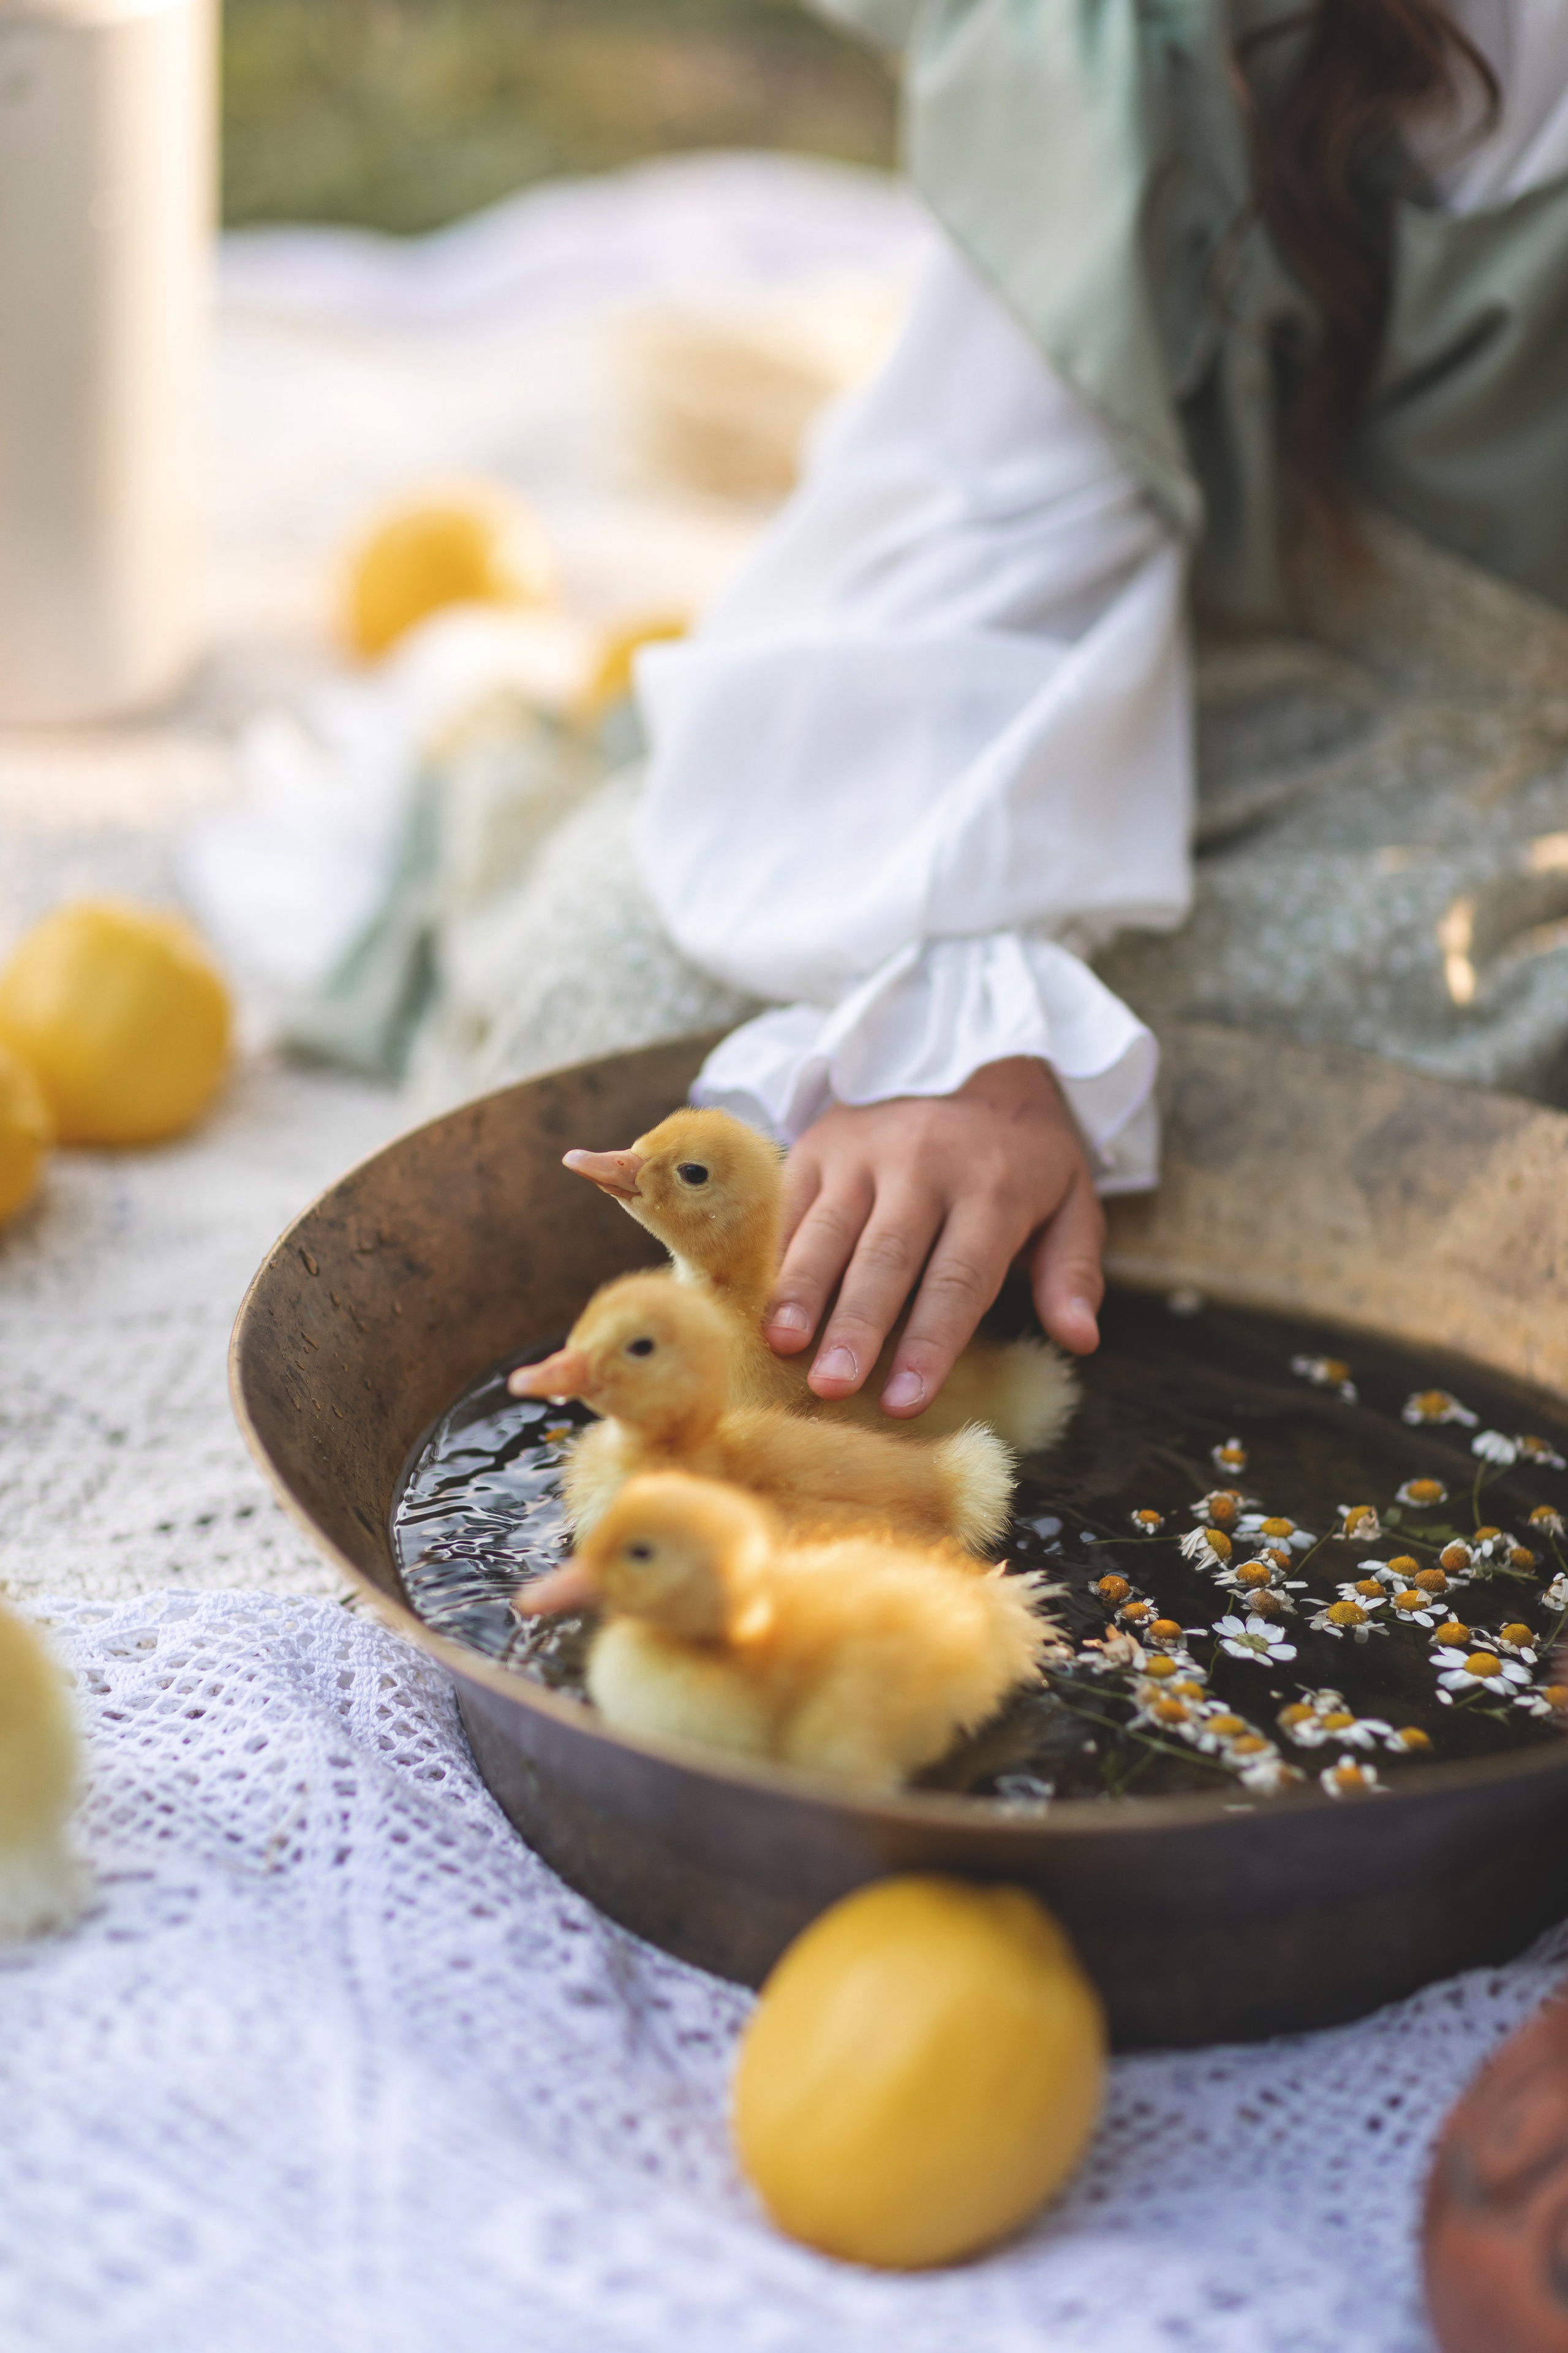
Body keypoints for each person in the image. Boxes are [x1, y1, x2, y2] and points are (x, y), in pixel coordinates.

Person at [620, 0, 1568, 1419]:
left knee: (1435, 1111)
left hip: (1519, 765)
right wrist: (960, 1030)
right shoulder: (1157, 37)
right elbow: (984, 505)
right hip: (1172, 659)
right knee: (644, 1025)